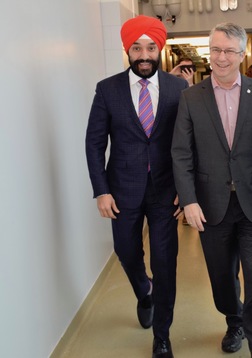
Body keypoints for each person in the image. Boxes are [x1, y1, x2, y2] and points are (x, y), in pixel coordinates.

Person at [171, 22, 252, 358]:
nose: (221, 58)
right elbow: (181, 153)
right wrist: (189, 200)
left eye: (228, 51)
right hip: (211, 206)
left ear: (241, 54)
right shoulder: (191, 98)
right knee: (222, 278)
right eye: (216, 50)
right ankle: (234, 319)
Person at [85, 15, 188, 358]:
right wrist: (101, 190)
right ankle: (144, 289)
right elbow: (94, 143)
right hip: (121, 190)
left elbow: (189, 143)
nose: (144, 54)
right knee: (126, 252)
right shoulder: (107, 88)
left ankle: (162, 336)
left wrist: (186, 192)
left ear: (159, 49)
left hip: (165, 192)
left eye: (150, 47)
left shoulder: (178, 89)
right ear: (127, 50)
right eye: (136, 47)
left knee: (165, 261)